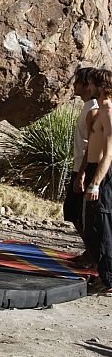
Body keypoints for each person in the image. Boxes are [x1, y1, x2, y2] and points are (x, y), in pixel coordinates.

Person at [82, 67, 112, 296]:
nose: (89, 87)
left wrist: (96, 182)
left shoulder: (109, 110)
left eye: (91, 83)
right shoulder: (100, 109)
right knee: (92, 222)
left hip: (104, 171)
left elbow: (109, 152)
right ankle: (104, 273)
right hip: (94, 168)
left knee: (102, 224)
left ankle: (108, 278)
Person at [63, 67, 98, 255]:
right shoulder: (87, 107)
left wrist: (83, 173)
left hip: (85, 167)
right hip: (79, 165)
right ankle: (89, 252)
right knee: (74, 212)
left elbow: (93, 143)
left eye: (77, 82)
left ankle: (93, 254)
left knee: (81, 214)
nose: (73, 85)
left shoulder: (94, 109)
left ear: (87, 86)